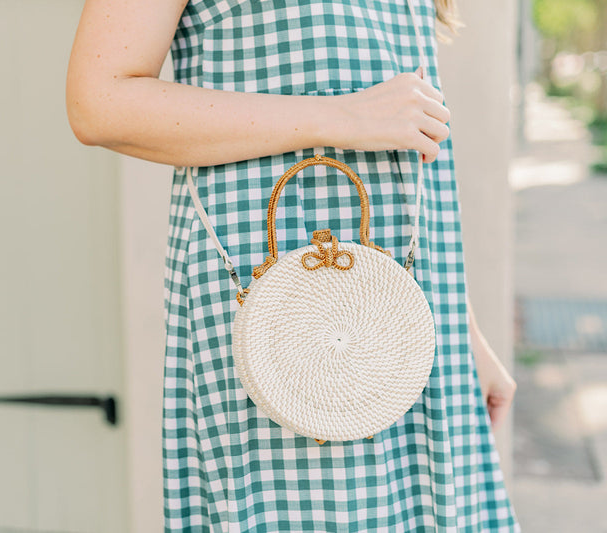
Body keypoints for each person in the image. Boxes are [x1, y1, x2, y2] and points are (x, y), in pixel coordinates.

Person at [66, 0, 521, 530]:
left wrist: (461, 330)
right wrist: (341, 116)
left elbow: (405, 145)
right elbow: (99, 101)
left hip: (401, 317)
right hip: (291, 315)